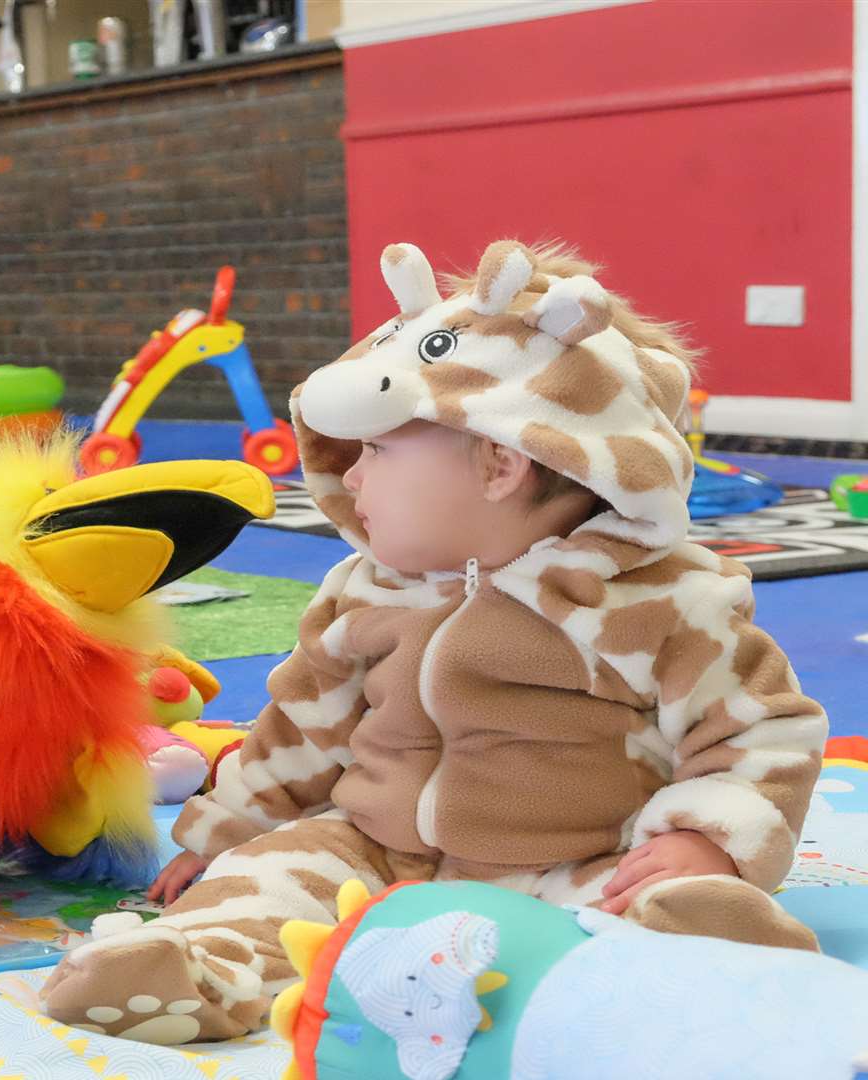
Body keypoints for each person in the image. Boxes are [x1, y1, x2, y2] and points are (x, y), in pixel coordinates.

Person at [41, 240, 828, 1045]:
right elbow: (300, 728)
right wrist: (225, 833)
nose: (349, 479)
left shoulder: (662, 600)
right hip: (371, 850)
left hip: (563, 864)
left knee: (623, 921)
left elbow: (757, 730)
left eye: (377, 450)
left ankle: (710, 959)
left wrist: (706, 838)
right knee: (270, 878)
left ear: (500, 461)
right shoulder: (365, 587)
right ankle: (196, 972)